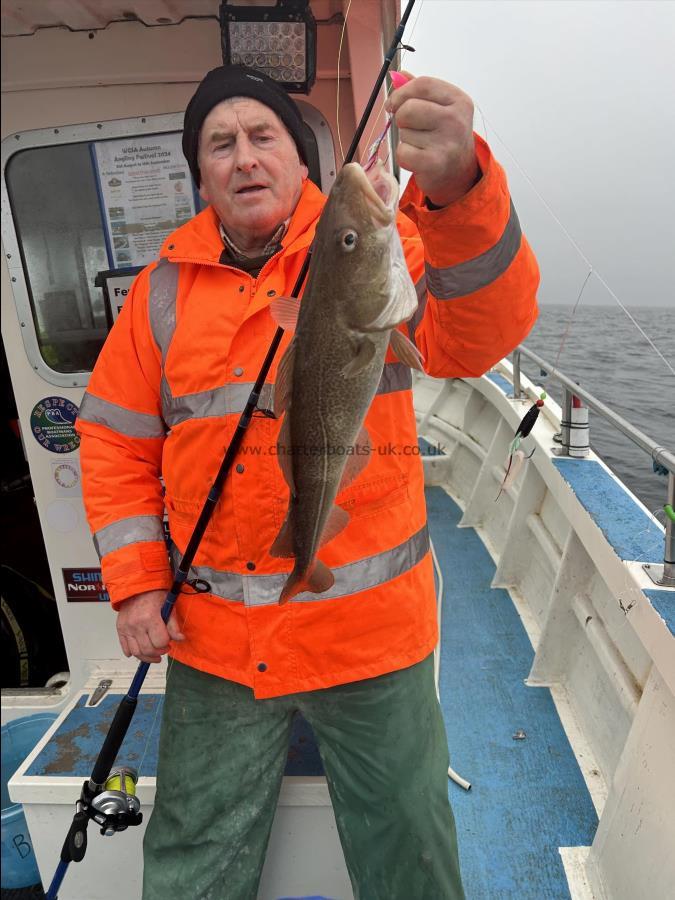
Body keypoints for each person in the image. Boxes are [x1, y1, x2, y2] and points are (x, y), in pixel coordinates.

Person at [77, 64, 539, 900]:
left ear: (299, 159)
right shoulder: (157, 295)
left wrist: (458, 190)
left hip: (368, 640)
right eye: (220, 143)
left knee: (412, 852)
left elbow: (476, 336)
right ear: (200, 171)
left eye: (265, 137)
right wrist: (139, 586)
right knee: (188, 863)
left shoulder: (377, 245)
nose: (244, 157)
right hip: (212, 645)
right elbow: (112, 443)